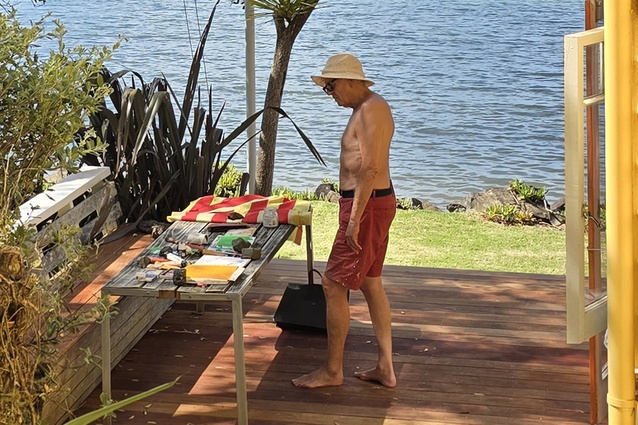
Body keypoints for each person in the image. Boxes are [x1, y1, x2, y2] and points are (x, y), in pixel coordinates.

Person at [292, 53, 397, 389]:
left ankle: (332, 371)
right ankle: (386, 367)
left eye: (332, 86)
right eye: (327, 89)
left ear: (351, 82)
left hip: (365, 207)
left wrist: (353, 220)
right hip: (370, 204)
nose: (331, 94)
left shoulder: (369, 109)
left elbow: (370, 169)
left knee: (333, 284)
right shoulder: (367, 108)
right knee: (370, 282)